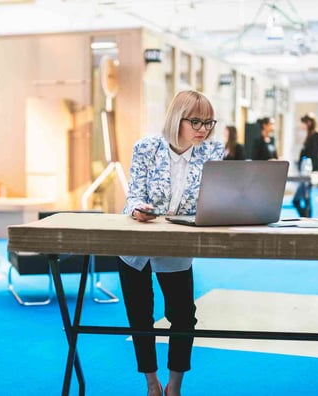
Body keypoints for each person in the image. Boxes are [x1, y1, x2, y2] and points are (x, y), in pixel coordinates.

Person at [119, 90, 224, 396]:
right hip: (137, 243)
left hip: (178, 244)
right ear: (177, 118)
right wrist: (139, 209)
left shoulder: (211, 153)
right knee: (140, 316)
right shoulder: (146, 147)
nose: (203, 129)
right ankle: (151, 384)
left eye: (208, 122)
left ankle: (174, 387)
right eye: (196, 121)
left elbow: (213, 200)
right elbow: (134, 193)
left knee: (182, 316)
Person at [292, 113, 318, 217]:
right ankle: (306, 217)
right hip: (306, 170)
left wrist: (315, 170)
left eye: (303, 123)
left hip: (309, 171)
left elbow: (315, 154)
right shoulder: (310, 135)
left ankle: (306, 217)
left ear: (309, 123)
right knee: (305, 197)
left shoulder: (315, 136)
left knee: (303, 197)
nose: (302, 126)